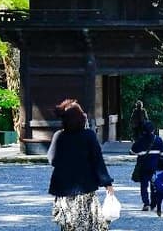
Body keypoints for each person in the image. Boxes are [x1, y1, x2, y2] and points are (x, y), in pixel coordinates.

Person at [48, 99, 116, 231]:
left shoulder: (59, 136)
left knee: (69, 225)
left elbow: (52, 160)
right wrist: (107, 183)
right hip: (85, 188)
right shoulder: (88, 136)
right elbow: (98, 160)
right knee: (88, 224)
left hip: (64, 189)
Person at [130, 120, 163, 211]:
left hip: (143, 167)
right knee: (154, 186)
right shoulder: (158, 140)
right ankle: (153, 204)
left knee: (144, 186)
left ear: (143, 130)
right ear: (153, 130)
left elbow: (132, 151)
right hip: (156, 167)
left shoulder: (140, 140)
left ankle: (146, 203)